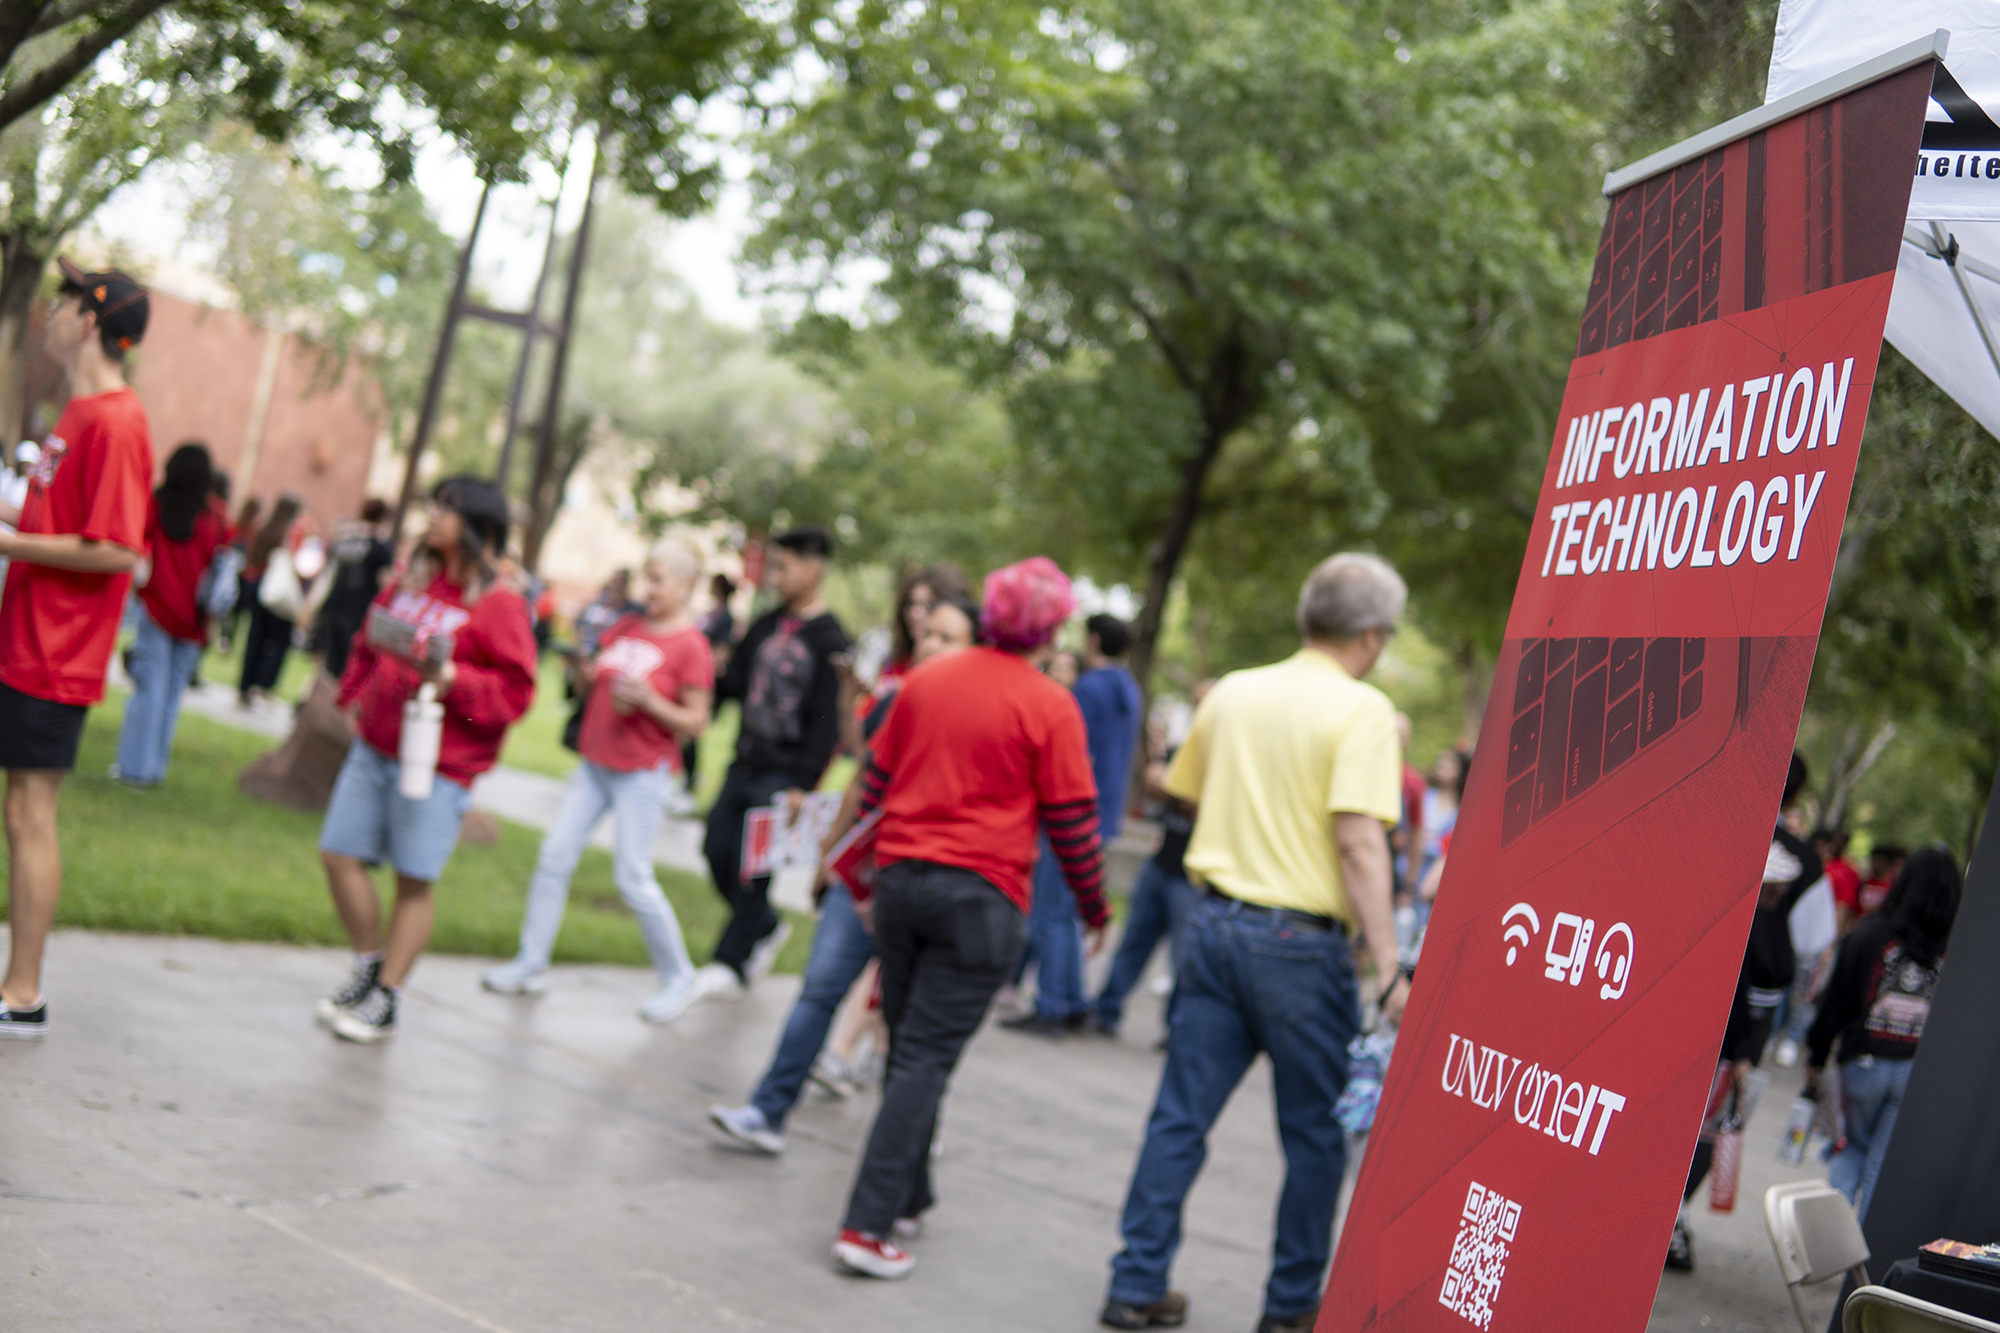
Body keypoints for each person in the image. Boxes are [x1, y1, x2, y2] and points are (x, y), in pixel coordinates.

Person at [1101, 552, 1408, 1333]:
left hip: (1211, 926)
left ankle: (1135, 1285)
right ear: (1370, 635)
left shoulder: (1234, 691)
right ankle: (1288, 1309)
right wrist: (1389, 966)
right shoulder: (1363, 710)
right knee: (1313, 1138)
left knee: (1179, 1117)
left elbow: (1182, 783)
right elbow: (1359, 841)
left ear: (1309, 614)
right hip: (1301, 949)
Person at [821, 557, 1110, 1280]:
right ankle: (866, 1224)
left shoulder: (926, 678)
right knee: (924, 1055)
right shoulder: (1049, 704)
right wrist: (1093, 906)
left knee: (910, 1042)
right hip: (980, 899)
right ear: (1051, 629)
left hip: (901, 885)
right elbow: (1072, 820)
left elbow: (878, 782)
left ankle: (909, 1194)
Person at [709, 594, 981, 1154]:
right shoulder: (897, 696)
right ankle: (767, 1111)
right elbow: (863, 772)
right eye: (927, 633)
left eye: (947, 637)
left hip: (930, 884)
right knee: (819, 990)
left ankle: (908, 1156)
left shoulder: (981, 720)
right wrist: (832, 859)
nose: (929, 643)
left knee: (912, 1028)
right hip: (868, 874)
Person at [313, 476, 537, 1043]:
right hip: (375, 746)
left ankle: (387, 996)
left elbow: (516, 693)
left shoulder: (500, 603)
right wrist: (352, 696)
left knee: (414, 878)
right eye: (434, 505)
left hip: (439, 764)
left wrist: (455, 677)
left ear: (479, 526)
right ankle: (368, 965)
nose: (433, 516)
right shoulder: (415, 577)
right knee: (339, 854)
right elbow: (370, 638)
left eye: (449, 509)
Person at [0, 259, 154, 1038]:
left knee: (31, 812)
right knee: (16, 811)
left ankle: (22, 993)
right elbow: (58, 519)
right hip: (21, 639)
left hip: (58, 654)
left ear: (90, 321)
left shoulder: (117, 421)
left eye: (62, 305)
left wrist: (8, 542)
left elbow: (116, 549)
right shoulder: (76, 413)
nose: (51, 317)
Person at [482, 536, 716, 1021]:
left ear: (685, 585)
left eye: (658, 579)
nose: (646, 587)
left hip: (642, 774)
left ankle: (679, 977)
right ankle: (531, 964)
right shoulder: (627, 625)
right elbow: (598, 681)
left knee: (632, 878)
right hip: (595, 763)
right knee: (554, 856)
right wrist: (583, 672)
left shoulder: (691, 646)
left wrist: (651, 701)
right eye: (645, 577)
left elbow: (697, 723)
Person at [1665, 753, 1821, 1273]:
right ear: (1797, 795)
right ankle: (1672, 1218)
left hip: (1702, 993)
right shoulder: (1807, 861)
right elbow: (1814, 937)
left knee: (1680, 1109)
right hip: (1747, 1013)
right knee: (1712, 1120)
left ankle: (1656, 1213)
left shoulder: (1715, 821)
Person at [692, 526, 850, 999]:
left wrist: (806, 782)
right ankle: (762, 926)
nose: (776, 576)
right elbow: (735, 683)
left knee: (755, 869)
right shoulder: (764, 623)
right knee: (717, 849)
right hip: (744, 761)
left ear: (813, 568)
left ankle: (730, 960)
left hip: (786, 774)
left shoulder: (831, 638)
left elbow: (828, 720)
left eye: (784, 567)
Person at [1805, 846, 1961, 1220]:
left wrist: (1816, 1054)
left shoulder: (1872, 933)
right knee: (1880, 1164)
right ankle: (1859, 1266)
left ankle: (1833, 1244)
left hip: (1863, 1063)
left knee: (1852, 1148)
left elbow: (1836, 1001)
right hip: (1913, 1068)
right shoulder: (1955, 947)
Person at [1008, 611, 1144, 1035]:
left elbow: (1066, 752)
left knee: (1049, 912)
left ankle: (1051, 1005)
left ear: (1094, 640)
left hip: (1072, 811)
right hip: (1105, 814)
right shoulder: (1130, 691)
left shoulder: (1088, 690)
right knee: (1067, 912)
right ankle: (1071, 1000)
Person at [1090, 680, 1212, 1038]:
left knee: (1185, 958)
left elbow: (1187, 796)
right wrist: (1178, 789)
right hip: (1160, 864)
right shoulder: (1183, 748)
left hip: (1191, 877)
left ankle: (1176, 1030)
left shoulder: (1226, 757)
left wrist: (1173, 787)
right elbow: (1152, 781)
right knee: (1132, 943)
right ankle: (1105, 1010)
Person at [112, 442, 227, 786]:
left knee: (149, 690)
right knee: (171, 696)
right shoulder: (216, 517)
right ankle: (155, 768)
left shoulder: (156, 505)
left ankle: (134, 769)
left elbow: (135, 545)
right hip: (194, 619)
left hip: (158, 609)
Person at [316, 498, 394, 681]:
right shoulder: (379, 547)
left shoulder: (344, 540)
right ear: (383, 518)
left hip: (333, 605)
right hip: (357, 614)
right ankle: (330, 707)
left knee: (328, 663)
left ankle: (318, 703)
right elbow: (385, 583)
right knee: (346, 666)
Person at [237, 493, 304, 705]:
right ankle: (261, 682)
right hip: (275, 590)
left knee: (254, 637)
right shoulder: (288, 532)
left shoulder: (263, 526)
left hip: (256, 584)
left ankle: (245, 685)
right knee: (280, 640)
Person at [1860, 843, 1906, 917]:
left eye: (1879, 861)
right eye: (1874, 860)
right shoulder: (1864, 882)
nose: (1876, 864)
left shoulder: (1893, 884)